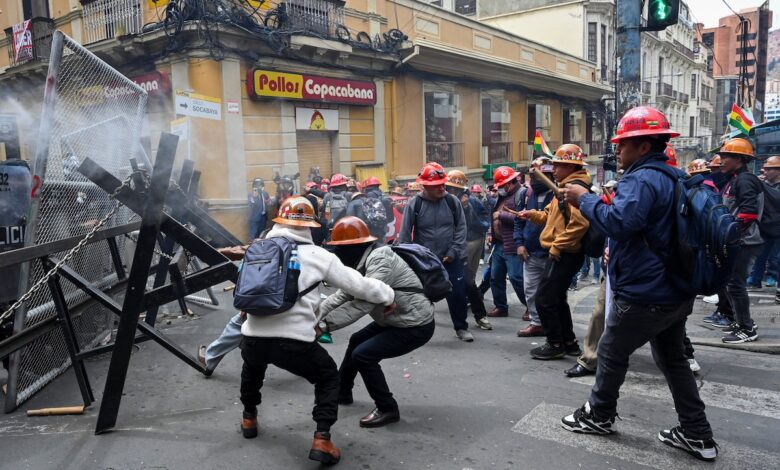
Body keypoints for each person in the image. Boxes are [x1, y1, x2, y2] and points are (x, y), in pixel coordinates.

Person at [560, 106, 717, 462]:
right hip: (676, 287)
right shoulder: (675, 176)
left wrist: (584, 199)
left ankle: (599, 415)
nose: (617, 150)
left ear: (644, 146)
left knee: (611, 352)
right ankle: (697, 433)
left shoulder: (641, 179)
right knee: (673, 360)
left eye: (623, 144)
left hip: (646, 292)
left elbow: (620, 224)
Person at [235, 197, 396, 465]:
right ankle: (322, 439)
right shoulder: (319, 256)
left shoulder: (257, 249)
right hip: (294, 342)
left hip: (252, 336)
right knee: (328, 378)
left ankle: (248, 418)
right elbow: (360, 286)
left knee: (252, 370)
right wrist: (388, 295)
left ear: (279, 221)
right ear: (310, 226)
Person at [318, 217, 435, 428]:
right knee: (357, 340)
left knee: (363, 355)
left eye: (341, 248)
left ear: (355, 246)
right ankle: (342, 392)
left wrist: (324, 326)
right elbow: (343, 294)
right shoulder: (360, 261)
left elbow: (363, 303)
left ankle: (387, 408)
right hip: (394, 319)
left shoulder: (380, 259)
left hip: (414, 323)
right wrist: (314, 316)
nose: (338, 253)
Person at [517, 144, 590, 359]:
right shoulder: (564, 189)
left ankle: (554, 343)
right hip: (563, 252)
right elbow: (550, 216)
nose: (554, 170)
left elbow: (580, 224)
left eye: (558, 166)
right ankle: (568, 342)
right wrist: (532, 214)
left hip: (565, 253)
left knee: (544, 299)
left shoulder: (574, 190)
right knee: (557, 299)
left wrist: (557, 246)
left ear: (571, 167)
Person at [399, 163, 472, 342]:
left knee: (457, 294)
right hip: (425, 261)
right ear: (425, 186)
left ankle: (461, 327)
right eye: (436, 186)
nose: (441, 188)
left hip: (450, 258)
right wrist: (408, 257)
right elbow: (405, 235)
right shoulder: (414, 204)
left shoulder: (452, 202)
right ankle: (418, 328)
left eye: (442, 184)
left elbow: (461, 228)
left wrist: (454, 250)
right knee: (421, 295)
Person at [718, 137, 763, 344]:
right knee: (730, 284)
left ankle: (747, 328)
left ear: (738, 159)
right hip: (740, 240)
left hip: (745, 241)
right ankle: (740, 321)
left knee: (735, 285)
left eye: (725, 156)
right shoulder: (737, 179)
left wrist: (730, 234)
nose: (721, 161)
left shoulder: (745, 180)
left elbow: (748, 214)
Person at [514, 157, 556, 337]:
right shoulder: (525, 195)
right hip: (530, 253)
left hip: (552, 254)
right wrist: (519, 244)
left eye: (539, 175)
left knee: (551, 294)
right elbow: (518, 221)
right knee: (530, 291)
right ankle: (537, 323)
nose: (535, 179)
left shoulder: (558, 195)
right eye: (533, 176)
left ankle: (554, 327)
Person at [447, 170, 492, 330]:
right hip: (444, 247)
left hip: (465, 243)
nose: (450, 191)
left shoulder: (469, 201)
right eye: (448, 188)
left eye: (453, 189)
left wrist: (466, 208)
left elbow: (470, 223)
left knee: (468, 280)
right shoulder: (442, 200)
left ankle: (480, 315)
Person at [487, 166, 528, 319]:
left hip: (513, 244)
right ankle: (501, 307)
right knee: (495, 277)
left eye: (501, 185)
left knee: (516, 277)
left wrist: (501, 215)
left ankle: (531, 307)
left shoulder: (522, 194)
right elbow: (493, 216)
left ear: (508, 184)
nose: (499, 188)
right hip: (499, 244)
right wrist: (491, 233)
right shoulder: (502, 196)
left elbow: (524, 218)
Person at [747, 156, 780, 290]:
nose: (764, 172)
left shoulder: (765, 186)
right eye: (763, 170)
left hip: (778, 226)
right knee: (759, 255)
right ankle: (754, 280)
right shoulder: (762, 185)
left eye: (768, 169)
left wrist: (761, 186)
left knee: (776, 257)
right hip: (765, 225)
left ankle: (774, 278)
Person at [346, 177, 394, 245]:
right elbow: (390, 218)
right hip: (381, 230)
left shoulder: (366, 196)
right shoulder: (384, 196)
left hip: (368, 231)